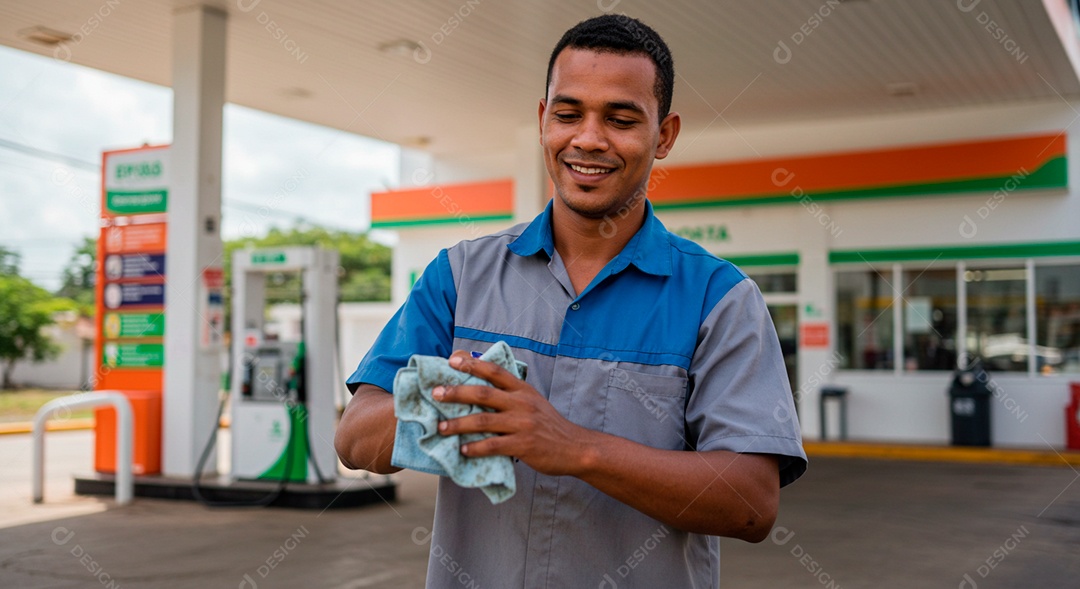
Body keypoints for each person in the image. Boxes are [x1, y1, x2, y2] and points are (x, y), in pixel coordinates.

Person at [336, 14, 806, 588]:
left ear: (664, 136)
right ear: (542, 121)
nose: (588, 139)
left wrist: (576, 448)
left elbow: (751, 504)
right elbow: (355, 439)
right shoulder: (458, 275)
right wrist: (456, 406)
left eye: (621, 119)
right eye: (568, 114)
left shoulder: (720, 299)